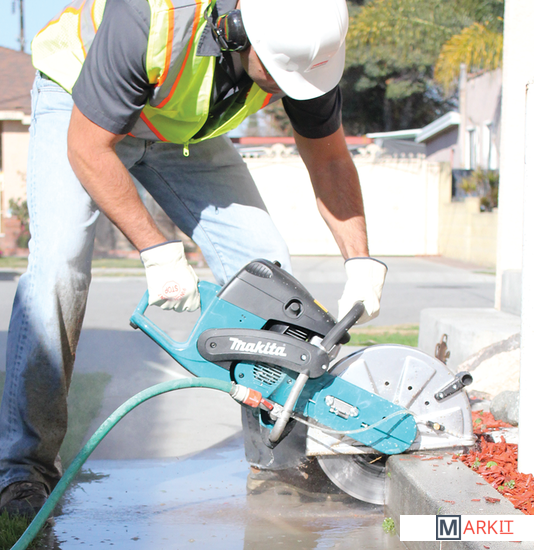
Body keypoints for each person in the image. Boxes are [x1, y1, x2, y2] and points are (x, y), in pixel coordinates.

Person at [0, 0, 388, 517]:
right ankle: (23, 470)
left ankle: (280, 453)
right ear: (240, 32)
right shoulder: (153, 17)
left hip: (176, 132)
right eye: (277, 74)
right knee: (59, 264)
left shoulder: (305, 50)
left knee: (268, 271)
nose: (287, 89)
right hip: (80, 105)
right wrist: (158, 250)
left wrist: (359, 261)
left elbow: (330, 157)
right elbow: (88, 148)